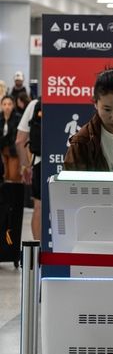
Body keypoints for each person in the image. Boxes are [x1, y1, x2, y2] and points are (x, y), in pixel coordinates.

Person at [0, 95, 23, 263]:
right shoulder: (1, 119)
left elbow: (14, 139)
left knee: (13, 177)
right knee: (4, 176)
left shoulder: (17, 118)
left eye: (9, 104)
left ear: (13, 105)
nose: (7, 107)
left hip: (13, 152)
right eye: (4, 104)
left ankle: (10, 200)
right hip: (2, 152)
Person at [16, 98, 41, 240]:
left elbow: (19, 140)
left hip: (40, 161)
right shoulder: (82, 96)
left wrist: (25, 166)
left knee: (39, 207)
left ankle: (39, 254)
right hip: (72, 163)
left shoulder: (35, 104)